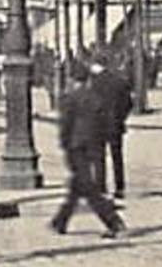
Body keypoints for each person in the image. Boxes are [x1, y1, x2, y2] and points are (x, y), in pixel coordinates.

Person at [51, 65, 127, 238]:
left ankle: (113, 221)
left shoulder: (70, 99)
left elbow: (65, 126)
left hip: (76, 146)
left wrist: (64, 145)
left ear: (73, 80)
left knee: (88, 188)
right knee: (77, 186)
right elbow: (105, 122)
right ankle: (60, 220)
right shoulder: (95, 97)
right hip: (93, 145)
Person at [89, 55, 133, 199]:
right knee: (117, 156)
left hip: (97, 125)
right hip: (115, 124)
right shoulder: (118, 81)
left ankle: (101, 186)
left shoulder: (93, 84)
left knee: (98, 157)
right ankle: (119, 187)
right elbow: (128, 103)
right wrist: (121, 117)